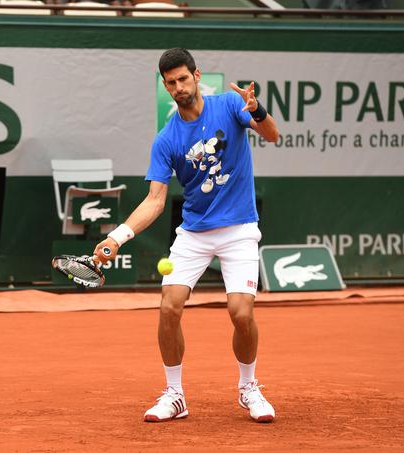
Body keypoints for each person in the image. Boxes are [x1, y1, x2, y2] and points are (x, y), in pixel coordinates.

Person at [93, 48, 279, 423]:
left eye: (183, 78)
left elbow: (272, 135)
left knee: (241, 313)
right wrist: (117, 237)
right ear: (165, 86)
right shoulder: (166, 139)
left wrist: (256, 110)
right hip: (194, 232)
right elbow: (155, 200)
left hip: (239, 227)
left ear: (197, 75)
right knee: (168, 307)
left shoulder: (229, 104)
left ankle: (249, 388)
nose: (178, 87)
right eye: (171, 82)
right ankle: (175, 394)